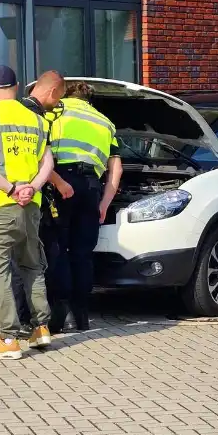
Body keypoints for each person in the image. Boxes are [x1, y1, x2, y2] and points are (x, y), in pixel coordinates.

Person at [0, 65, 55, 359]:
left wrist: (10, 189)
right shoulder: (37, 120)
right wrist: (30, 188)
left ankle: (7, 340)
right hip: (30, 207)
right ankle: (40, 329)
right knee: (32, 266)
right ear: (17, 87)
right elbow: (48, 164)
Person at [47, 81, 123, 332]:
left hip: (62, 182)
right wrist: (104, 203)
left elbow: (41, 152)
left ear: (66, 94)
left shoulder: (54, 110)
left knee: (58, 248)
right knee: (82, 253)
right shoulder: (106, 122)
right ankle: (81, 314)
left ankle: (59, 310)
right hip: (92, 187)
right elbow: (116, 171)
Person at [14, 71, 67, 329]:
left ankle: (24, 320)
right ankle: (30, 322)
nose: (58, 105)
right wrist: (59, 182)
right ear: (52, 92)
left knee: (21, 260)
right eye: (59, 99)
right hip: (28, 197)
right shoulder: (35, 118)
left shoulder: (15, 112)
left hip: (13, 193)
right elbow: (40, 159)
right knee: (32, 262)